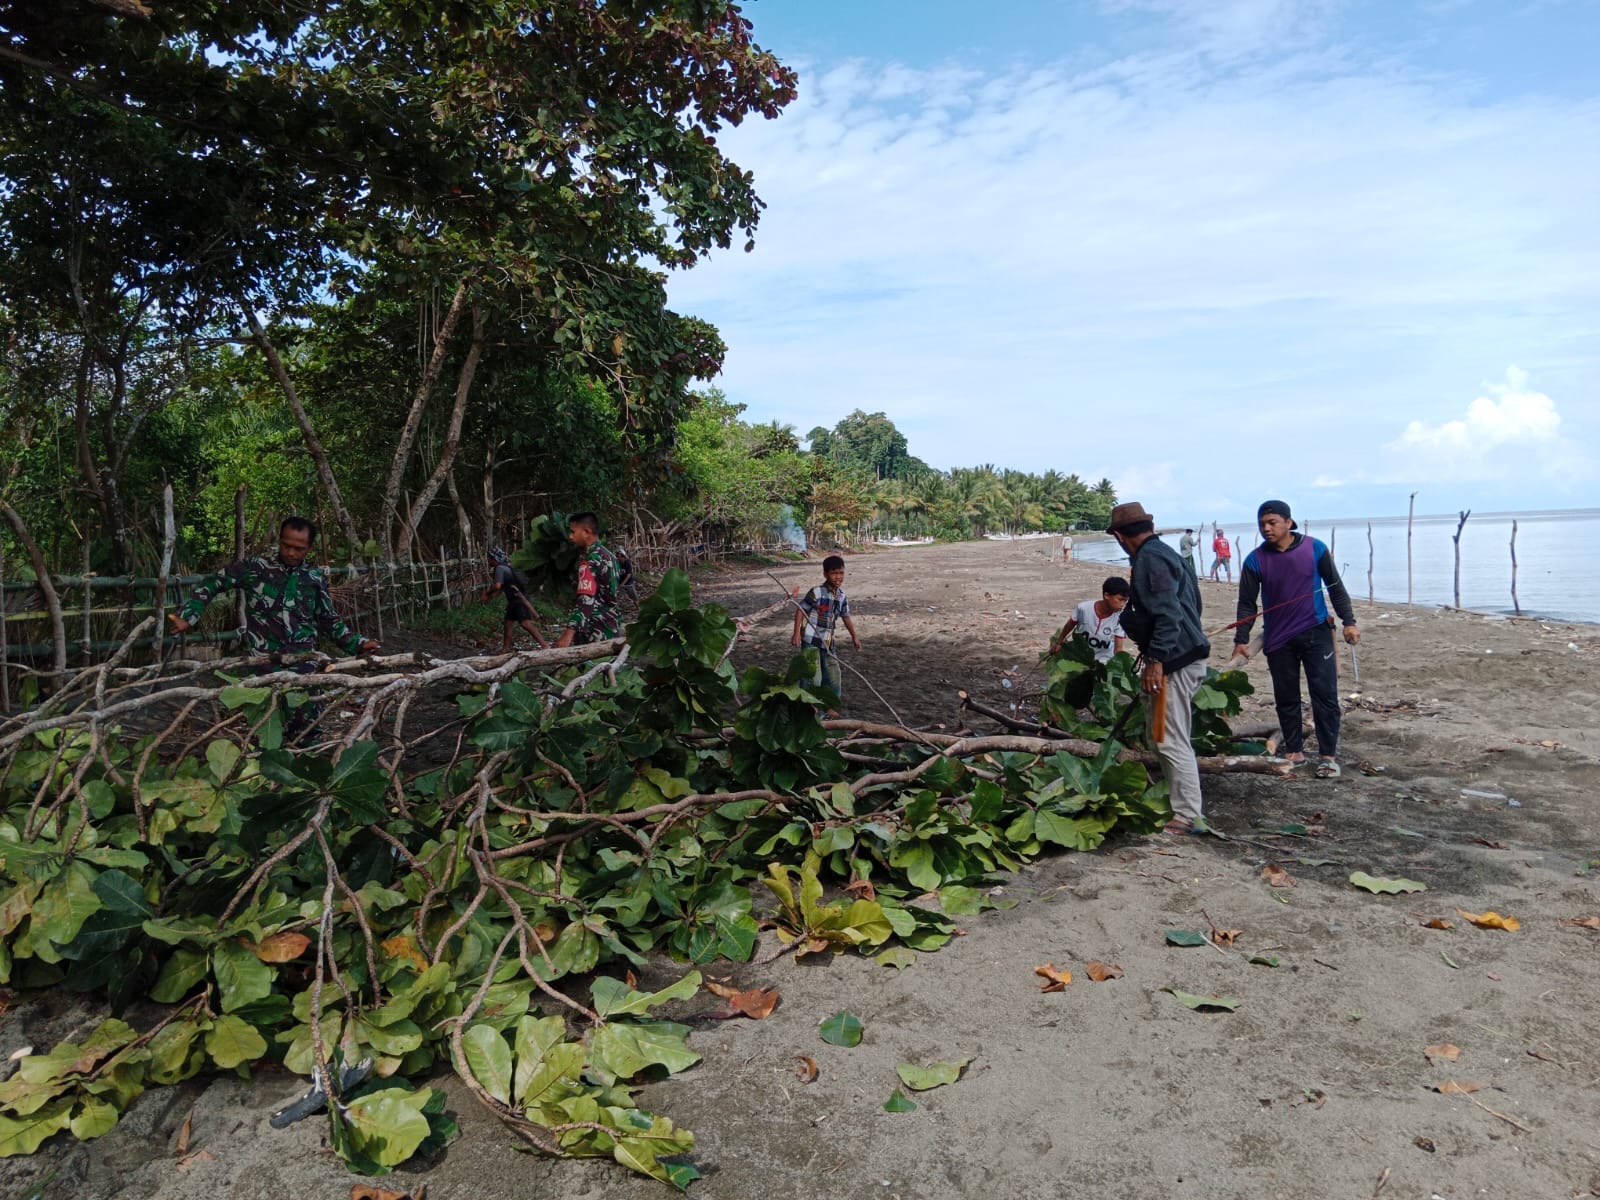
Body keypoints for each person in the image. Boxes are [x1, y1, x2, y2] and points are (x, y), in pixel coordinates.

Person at [169, 517, 378, 738]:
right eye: (286, 545)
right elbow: (213, 583)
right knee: (264, 728)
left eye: (299, 548)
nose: (291, 552)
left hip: (303, 664)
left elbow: (329, 620)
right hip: (263, 663)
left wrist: (359, 644)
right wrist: (188, 615)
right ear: (279, 541)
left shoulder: (314, 579)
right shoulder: (254, 568)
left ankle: (306, 762)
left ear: (309, 548)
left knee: (306, 729)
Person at [1228, 500, 1359, 779]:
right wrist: (1241, 638)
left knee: (1324, 695)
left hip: (1316, 632)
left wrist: (1349, 622)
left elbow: (1336, 588)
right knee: (1286, 697)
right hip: (1278, 639)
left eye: (1272, 522)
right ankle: (1294, 751)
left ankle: (1327, 756)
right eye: (1262, 523)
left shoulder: (1315, 548)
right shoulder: (1254, 560)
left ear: (1289, 522)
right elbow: (1247, 603)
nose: (1266, 528)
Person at [1106, 502, 1211, 834]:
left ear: (1121, 537)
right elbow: (1192, 605)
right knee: (1164, 736)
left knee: (1169, 738)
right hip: (1184, 655)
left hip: (1174, 662)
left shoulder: (1151, 560)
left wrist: (1156, 661)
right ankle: (1184, 807)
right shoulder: (1168, 555)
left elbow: (1168, 614)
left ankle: (1188, 815)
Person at [791, 554, 861, 706]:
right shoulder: (816, 592)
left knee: (834, 676)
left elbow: (845, 616)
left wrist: (854, 636)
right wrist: (796, 632)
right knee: (813, 678)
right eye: (834, 573)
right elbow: (800, 610)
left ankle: (829, 707)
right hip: (811, 642)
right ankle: (808, 708)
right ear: (825, 574)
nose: (838, 577)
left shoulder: (842, 596)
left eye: (841, 573)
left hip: (828, 643)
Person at [553, 512, 624, 648]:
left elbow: (586, 600)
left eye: (573, 532)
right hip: (611, 628)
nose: (570, 536)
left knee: (591, 669)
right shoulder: (610, 556)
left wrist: (567, 635)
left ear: (586, 532)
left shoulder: (590, 560)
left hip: (594, 632)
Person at [1050, 576, 1129, 663]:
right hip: (1082, 652)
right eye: (1120, 600)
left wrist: (1120, 665)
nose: (1122, 604)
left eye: (1125, 601)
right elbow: (1070, 624)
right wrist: (1059, 642)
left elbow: (1118, 649)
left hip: (1104, 655)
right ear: (1106, 595)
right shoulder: (1083, 608)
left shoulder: (1120, 619)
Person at [483, 547, 547, 653]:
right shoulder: (505, 568)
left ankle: (545, 645)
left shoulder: (499, 569)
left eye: (489, 558)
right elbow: (502, 588)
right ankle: (505, 649)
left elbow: (498, 586)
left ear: (494, 559)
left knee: (525, 623)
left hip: (519, 600)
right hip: (514, 601)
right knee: (508, 624)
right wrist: (490, 597)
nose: (488, 561)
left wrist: (487, 593)